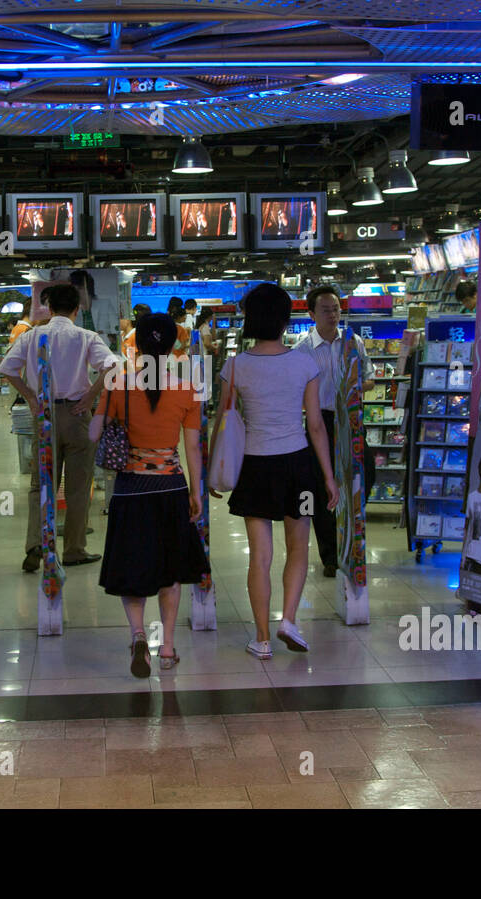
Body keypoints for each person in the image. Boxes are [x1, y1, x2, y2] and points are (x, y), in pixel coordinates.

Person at [210, 283, 338, 658]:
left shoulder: (236, 366)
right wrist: (328, 476)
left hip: (255, 467)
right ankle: (290, 620)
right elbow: (315, 425)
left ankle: (262, 638)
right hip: (298, 466)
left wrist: (212, 472)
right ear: (286, 320)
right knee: (299, 548)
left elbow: (223, 420)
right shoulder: (304, 363)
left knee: (260, 555)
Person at [96, 313, 209, 676]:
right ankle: (169, 648)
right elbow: (193, 448)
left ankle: (139, 635)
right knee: (170, 571)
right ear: (174, 344)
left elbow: (92, 434)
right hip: (171, 488)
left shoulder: (117, 383)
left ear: (136, 344)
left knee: (134, 566)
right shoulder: (189, 388)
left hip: (130, 488)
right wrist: (197, 492)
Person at [0, 283, 119, 571]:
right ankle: (74, 550)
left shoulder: (31, 337)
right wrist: (90, 395)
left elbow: (6, 369)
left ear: (49, 309)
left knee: (41, 484)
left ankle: (36, 545)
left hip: (44, 417)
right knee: (79, 487)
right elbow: (113, 366)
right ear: (77, 310)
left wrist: (30, 396)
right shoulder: (86, 336)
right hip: (78, 415)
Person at [293, 284, 376, 577]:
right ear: (312, 312)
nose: (333, 314)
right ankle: (330, 555)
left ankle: (350, 537)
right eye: (326, 310)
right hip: (319, 422)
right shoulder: (302, 351)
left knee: (364, 474)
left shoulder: (353, 343)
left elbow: (369, 379)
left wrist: (354, 388)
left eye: (337, 308)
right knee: (319, 486)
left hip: (350, 420)